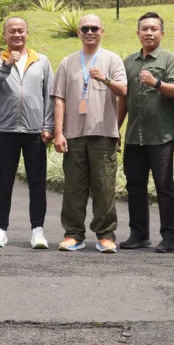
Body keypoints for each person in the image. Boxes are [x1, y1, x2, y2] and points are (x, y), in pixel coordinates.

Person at [51, 14, 127, 253]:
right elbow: (59, 99)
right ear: (78, 32)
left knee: (104, 187)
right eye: (85, 29)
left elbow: (124, 91)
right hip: (74, 134)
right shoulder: (68, 62)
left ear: (102, 31)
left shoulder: (112, 59)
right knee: (74, 187)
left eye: (94, 28)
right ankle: (73, 234)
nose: (90, 32)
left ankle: (105, 235)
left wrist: (105, 79)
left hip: (103, 133)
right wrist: (59, 133)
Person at [0, 17, 54, 249]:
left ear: (27, 33)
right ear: (5, 35)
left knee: (37, 184)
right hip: (7, 130)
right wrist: (6, 65)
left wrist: (49, 126)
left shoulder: (41, 61)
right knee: (4, 183)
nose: (17, 35)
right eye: (12, 31)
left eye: (21, 31)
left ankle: (38, 230)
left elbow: (49, 95)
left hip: (35, 132)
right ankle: (0, 229)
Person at [117, 12, 174, 252]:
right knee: (135, 186)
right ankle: (138, 234)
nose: (149, 33)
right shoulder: (129, 61)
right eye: (144, 29)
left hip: (161, 136)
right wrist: (116, 128)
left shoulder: (169, 59)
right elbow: (123, 98)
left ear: (161, 33)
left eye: (154, 29)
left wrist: (156, 83)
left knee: (164, 187)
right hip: (135, 135)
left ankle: (169, 237)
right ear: (138, 33)